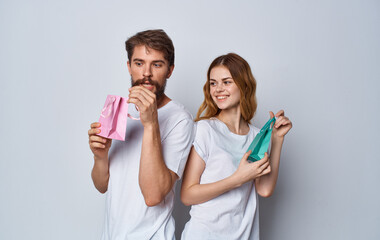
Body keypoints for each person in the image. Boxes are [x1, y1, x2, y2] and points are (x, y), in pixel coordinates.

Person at [88, 29, 194, 240]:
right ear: (129, 67)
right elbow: (102, 186)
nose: (146, 73)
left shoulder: (180, 119)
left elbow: (153, 196)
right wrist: (100, 155)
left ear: (170, 70)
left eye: (156, 64)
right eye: (139, 63)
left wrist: (151, 123)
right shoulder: (119, 110)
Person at [180, 53, 292, 239]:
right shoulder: (205, 129)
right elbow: (187, 195)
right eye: (213, 83)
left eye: (226, 82)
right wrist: (237, 179)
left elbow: (264, 190)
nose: (218, 89)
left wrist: (277, 139)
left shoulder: (257, 136)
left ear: (244, 85)